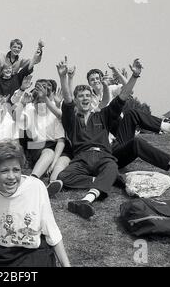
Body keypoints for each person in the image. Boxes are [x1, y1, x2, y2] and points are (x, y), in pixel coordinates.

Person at [56, 56, 143, 220]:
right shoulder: (72, 120)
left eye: (88, 95)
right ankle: (103, 180)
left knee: (112, 167)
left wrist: (135, 76)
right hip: (81, 159)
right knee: (63, 177)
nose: (85, 98)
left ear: (92, 98)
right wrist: (63, 77)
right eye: (81, 96)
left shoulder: (103, 115)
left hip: (103, 156)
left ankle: (86, 200)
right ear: (76, 100)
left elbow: (123, 96)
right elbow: (67, 100)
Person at [85, 66, 170, 177]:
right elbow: (103, 104)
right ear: (89, 83)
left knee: (131, 114)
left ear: (102, 79)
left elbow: (128, 90)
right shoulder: (89, 102)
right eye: (92, 79)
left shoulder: (111, 89)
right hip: (107, 151)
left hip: (118, 136)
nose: (95, 81)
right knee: (135, 141)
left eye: (97, 78)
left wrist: (130, 74)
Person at [0, 142, 70, 267]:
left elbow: (51, 231)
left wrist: (66, 265)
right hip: (0, 253)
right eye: (4, 171)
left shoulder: (36, 187)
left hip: (33, 252)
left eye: (16, 170)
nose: (12, 177)